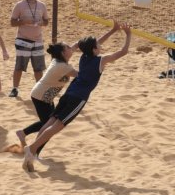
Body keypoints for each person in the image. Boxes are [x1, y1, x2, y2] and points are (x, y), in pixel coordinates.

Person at [22, 22, 131, 172]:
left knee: (50, 122)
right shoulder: (100, 60)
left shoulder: (84, 57)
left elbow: (93, 44)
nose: (100, 46)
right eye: (97, 46)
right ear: (94, 49)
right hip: (78, 98)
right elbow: (123, 52)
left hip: (69, 93)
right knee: (56, 127)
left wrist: (112, 31)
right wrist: (128, 34)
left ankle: (32, 153)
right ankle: (32, 148)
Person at [16, 41, 78, 156]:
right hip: (40, 97)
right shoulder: (61, 66)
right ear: (63, 53)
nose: (71, 48)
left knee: (49, 123)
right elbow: (80, 75)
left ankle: (23, 134)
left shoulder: (59, 59)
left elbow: (73, 48)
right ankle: (33, 149)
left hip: (46, 97)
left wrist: (80, 44)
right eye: (68, 47)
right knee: (49, 126)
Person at [9, 0, 49, 98]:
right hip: (23, 39)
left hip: (38, 40)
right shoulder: (19, 5)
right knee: (19, 66)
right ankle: (15, 88)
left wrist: (42, 23)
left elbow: (46, 21)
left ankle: (39, 89)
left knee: (38, 67)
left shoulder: (42, 5)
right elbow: (12, 22)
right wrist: (24, 22)